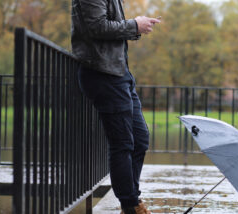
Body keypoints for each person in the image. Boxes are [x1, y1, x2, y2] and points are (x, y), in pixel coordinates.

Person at [71, 0, 160, 213]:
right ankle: (130, 205)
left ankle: (132, 200)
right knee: (122, 143)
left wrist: (136, 26)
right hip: (103, 74)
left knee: (139, 138)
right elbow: (96, 27)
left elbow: (109, 28)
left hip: (119, 73)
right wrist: (134, 25)